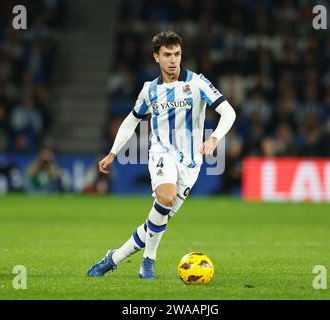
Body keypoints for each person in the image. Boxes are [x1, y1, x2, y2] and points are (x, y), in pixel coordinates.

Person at [87, 31, 236, 279]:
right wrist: (113, 153)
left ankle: (112, 258)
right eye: (167, 54)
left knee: (158, 221)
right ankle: (149, 261)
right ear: (156, 57)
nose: (173, 60)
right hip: (161, 153)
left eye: (177, 54)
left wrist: (214, 138)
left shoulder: (197, 83)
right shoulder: (150, 90)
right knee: (165, 199)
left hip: (191, 163)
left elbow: (228, 112)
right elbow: (131, 121)